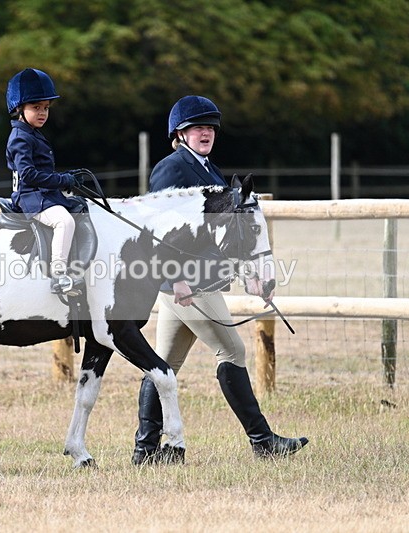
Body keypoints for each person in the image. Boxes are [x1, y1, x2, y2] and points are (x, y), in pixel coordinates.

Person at [131, 95, 309, 465]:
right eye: (198, 127)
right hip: (189, 285)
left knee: (163, 365)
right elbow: (158, 229)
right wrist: (175, 276)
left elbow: (225, 236)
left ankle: (145, 451)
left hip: (195, 284)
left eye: (210, 127)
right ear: (179, 133)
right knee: (232, 351)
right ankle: (262, 441)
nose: (206, 132)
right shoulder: (172, 168)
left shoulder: (210, 170)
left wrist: (250, 277)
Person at [5, 68, 84, 295]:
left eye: (46, 108)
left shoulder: (32, 133)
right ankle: (59, 276)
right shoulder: (20, 137)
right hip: (30, 198)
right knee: (64, 222)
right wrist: (62, 180)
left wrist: (68, 177)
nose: (43, 113)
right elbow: (28, 175)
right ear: (19, 109)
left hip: (42, 194)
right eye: (36, 108)